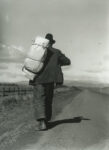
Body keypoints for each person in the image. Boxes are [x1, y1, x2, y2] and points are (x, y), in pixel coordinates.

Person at [29, 33, 71, 131]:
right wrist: (58, 61)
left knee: (39, 99)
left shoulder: (37, 51)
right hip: (51, 80)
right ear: (52, 43)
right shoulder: (56, 52)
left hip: (38, 79)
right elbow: (68, 61)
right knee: (48, 100)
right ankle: (46, 121)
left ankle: (42, 122)